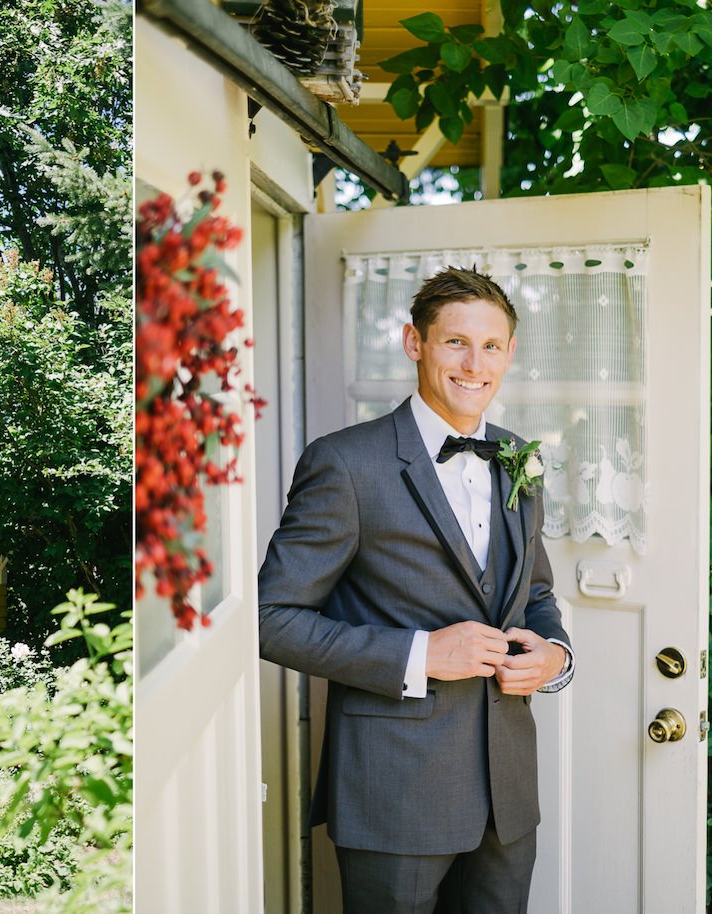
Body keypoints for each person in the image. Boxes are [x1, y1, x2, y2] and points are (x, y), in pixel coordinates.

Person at [257, 266, 574, 914]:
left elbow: (535, 594)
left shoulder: (520, 458)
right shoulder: (345, 463)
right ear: (414, 343)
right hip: (393, 794)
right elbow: (270, 617)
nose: (474, 364)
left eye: (491, 346)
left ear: (510, 353)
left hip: (507, 800)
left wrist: (556, 657)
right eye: (455, 341)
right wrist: (421, 655)